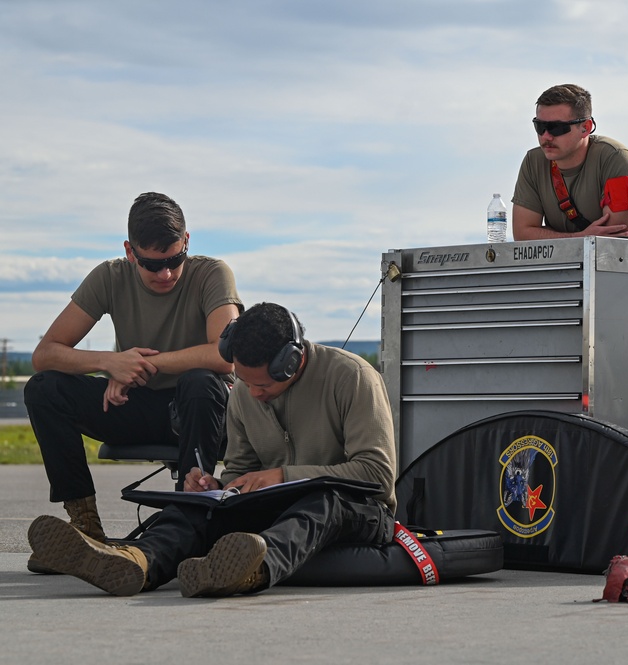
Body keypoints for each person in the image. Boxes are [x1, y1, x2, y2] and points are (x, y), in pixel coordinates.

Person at [27, 302, 398, 597]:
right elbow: (239, 469)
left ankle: (251, 569)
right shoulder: (244, 395)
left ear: (293, 361)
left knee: (323, 502)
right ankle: (136, 561)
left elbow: (377, 476)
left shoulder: (352, 378)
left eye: (263, 386)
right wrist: (218, 487)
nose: (252, 394)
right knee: (195, 509)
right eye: (245, 383)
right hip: (275, 508)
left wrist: (284, 476)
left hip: (354, 510)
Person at [23, 192, 241, 569]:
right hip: (140, 407)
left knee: (201, 381)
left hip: (205, 410)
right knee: (43, 389)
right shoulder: (109, 277)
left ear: (187, 241)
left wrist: (141, 365)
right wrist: (111, 362)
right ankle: (86, 531)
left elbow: (224, 355)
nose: (166, 274)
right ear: (129, 251)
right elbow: (45, 355)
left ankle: (189, 523)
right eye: (152, 265)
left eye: (175, 260)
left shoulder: (212, 273)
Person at [511, 83, 628, 240]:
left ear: (585, 128)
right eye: (540, 126)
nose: (546, 136)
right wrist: (580, 237)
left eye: (557, 128)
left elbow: (614, 237)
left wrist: (557, 238)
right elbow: (523, 234)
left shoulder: (616, 160)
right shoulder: (533, 162)